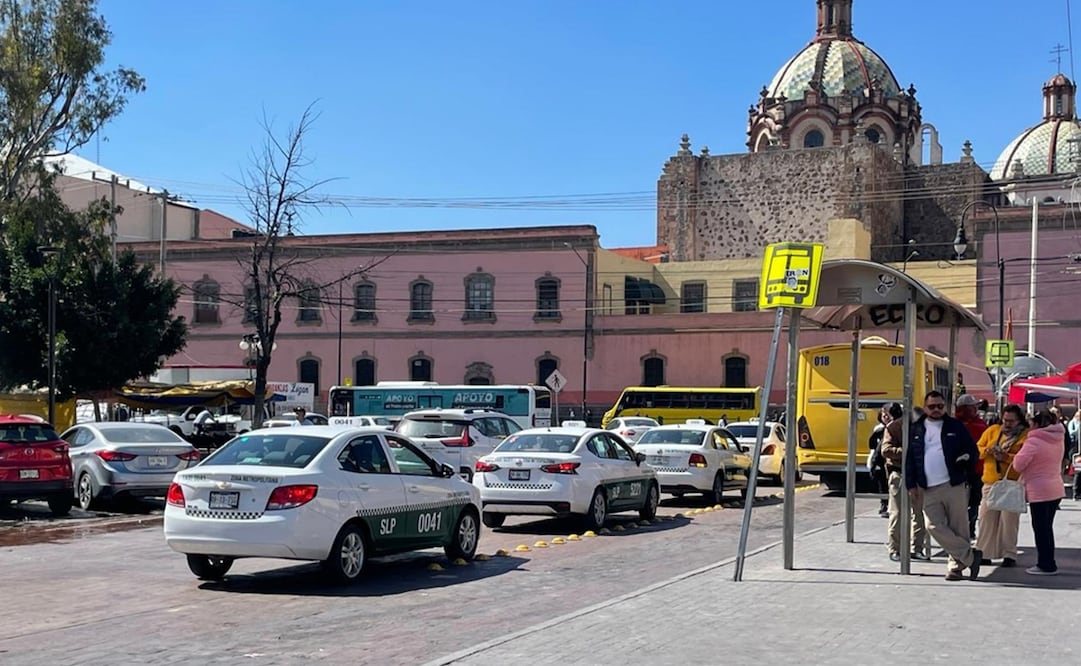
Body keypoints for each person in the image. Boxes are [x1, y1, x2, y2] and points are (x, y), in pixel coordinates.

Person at [905, 390, 981, 581]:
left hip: (953, 484)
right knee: (933, 526)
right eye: (932, 407)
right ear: (925, 407)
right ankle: (970, 556)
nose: (936, 410)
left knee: (958, 527)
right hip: (927, 487)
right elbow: (910, 458)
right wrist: (910, 484)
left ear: (945, 407)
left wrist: (965, 463)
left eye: (940, 406)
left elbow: (972, 450)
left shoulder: (956, 426)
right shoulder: (916, 428)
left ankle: (956, 567)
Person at [1012, 410, 1067, 575]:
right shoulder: (1058, 438)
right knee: (1046, 528)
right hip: (1055, 487)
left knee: (1041, 529)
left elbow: (1018, 464)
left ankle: (1046, 564)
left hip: (1039, 489)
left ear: (1035, 424)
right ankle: (1048, 561)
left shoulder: (1033, 441)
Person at [974, 404, 1027, 567]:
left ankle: (1009, 554)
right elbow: (977, 449)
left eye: (1011, 421)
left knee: (1009, 521)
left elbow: (1024, 458)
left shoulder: (1026, 435)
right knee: (986, 518)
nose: (1008, 424)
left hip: (1011, 483)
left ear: (1019, 421)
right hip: (990, 482)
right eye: (1005, 420)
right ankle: (984, 552)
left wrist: (1005, 457)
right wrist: (988, 451)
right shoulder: (992, 431)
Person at [880, 402, 929, 561]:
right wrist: (906, 450)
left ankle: (917, 548)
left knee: (919, 513)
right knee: (898, 513)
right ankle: (895, 548)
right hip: (899, 472)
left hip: (918, 474)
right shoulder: (894, 427)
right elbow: (885, 450)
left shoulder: (926, 428)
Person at [955, 394, 988, 536]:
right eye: (973, 406)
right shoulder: (955, 424)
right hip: (961, 470)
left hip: (975, 470)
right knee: (964, 502)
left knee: (973, 502)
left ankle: (969, 528)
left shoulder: (980, 424)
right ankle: (965, 528)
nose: (976, 409)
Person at [867, 404, 893, 517]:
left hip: (892, 461)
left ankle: (890, 505)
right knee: (882, 484)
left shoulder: (897, 427)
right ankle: (884, 504)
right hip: (880, 462)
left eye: (888, 415)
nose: (886, 417)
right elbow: (872, 444)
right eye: (884, 415)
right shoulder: (879, 429)